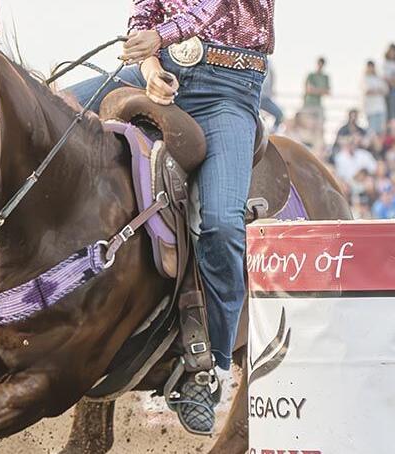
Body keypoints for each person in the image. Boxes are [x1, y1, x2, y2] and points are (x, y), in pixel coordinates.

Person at [67, 0, 274, 434]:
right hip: (161, 73)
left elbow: (211, 8)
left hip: (228, 91)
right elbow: (144, 14)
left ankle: (211, 364)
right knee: (54, 112)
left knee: (219, 223)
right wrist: (148, 68)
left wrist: (160, 38)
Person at [361, 60, 388, 135]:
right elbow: (367, 91)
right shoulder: (364, 78)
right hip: (370, 109)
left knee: (381, 130)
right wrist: (378, 91)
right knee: (372, 130)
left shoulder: (379, 79)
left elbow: (385, 90)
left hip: (380, 108)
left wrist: (374, 91)